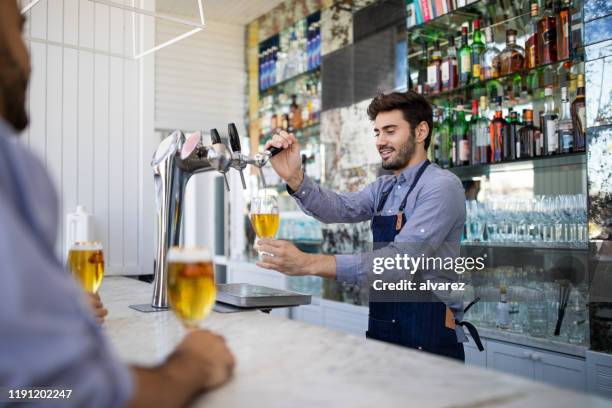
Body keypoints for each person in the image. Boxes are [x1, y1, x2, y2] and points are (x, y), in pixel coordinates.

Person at [0, 1, 234, 406]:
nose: (27, 53)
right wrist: (190, 366)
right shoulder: (14, 168)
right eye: (19, 30)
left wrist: (62, 306)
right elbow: (56, 393)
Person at [258, 91, 482, 361]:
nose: (380, 142)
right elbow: (339, 208)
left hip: (430, 337)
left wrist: (308, 264)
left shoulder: (441, 186)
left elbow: (398, 263)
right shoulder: (385, 188)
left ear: (421, 131)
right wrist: (295, 177)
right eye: (377, 133)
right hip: (384, 329)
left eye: (390, 131)